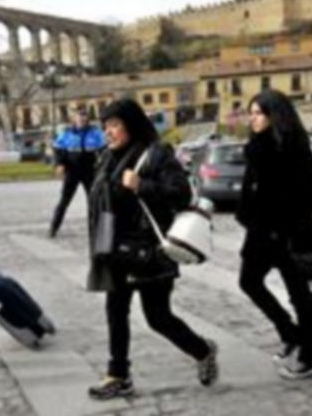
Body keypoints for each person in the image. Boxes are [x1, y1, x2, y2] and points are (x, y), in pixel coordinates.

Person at [86, 98, 218, 400]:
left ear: (131, 124)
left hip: (149, 253)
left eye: (114, 125)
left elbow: (181, 194)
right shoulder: (106, 157)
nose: (108, 132)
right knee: (115, 313)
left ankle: (202, 350)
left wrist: (141, 185)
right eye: (105, 126)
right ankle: (118, 375)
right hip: (115, 249)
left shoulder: (156, 153)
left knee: (158, 317)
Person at [237, 89, 312, 379]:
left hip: (290, 234)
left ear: (275, 115)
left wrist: (281, 222)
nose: (252, 119)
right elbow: (253, 190)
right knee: (249, 281)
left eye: (258, 114)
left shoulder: (294, 147)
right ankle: (290, 332)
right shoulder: (257, 146)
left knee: (300, 296)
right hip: (261, 232)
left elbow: (311, 197)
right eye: (250, 114)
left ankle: (309, 356)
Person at [49, 105, 105, 238]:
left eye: (85, 117)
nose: (83, 119)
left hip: (89, 171)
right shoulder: (67, 133)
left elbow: (105, 150)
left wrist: (103, 166)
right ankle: (54, 227)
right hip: (72, 171)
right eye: (80, 116)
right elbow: (58, 150)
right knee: (64, 200)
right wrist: (59, 164)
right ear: (74, 118)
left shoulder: (95, 133)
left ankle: (95, 229)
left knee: (93, 201)